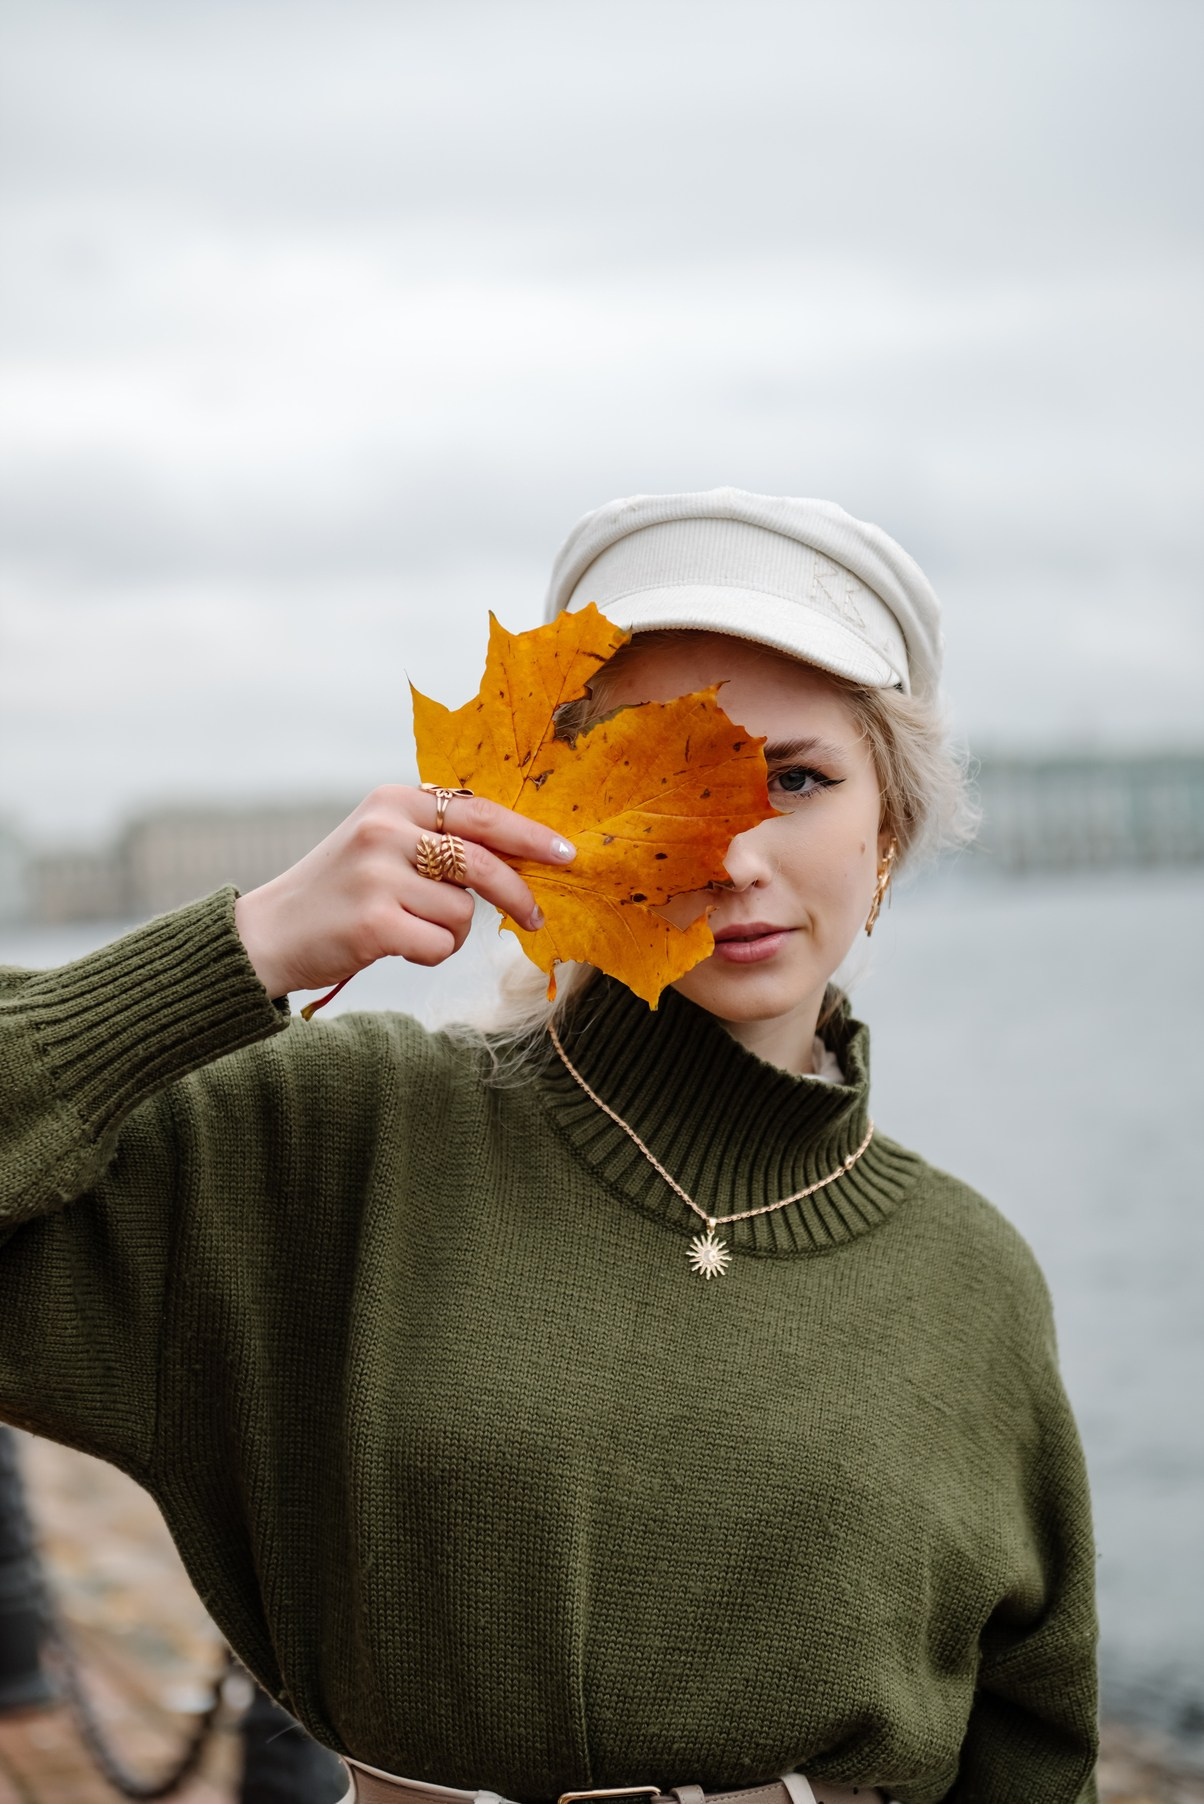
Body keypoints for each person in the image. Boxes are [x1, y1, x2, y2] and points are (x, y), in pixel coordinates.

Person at [0, 490, 1098, 1804]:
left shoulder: (973, 1279)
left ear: (890, 831)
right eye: (655, 780)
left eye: (797, 780)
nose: (735, 852)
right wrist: (250, 946)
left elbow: (1033, 1753)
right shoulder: (345, 1139)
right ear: (557, 813)